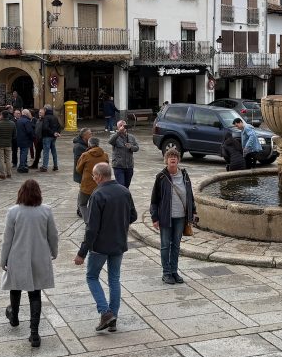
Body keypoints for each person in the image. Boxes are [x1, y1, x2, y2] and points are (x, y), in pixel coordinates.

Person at [74, 162, 137, 332]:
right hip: (119, 242)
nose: (93, 178)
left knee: (92, 277)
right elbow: (133, 215)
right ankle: (113, 318)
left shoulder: (98, 194)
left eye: (94, 176)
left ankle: (105, 312)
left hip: (100, 246)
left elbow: (91, 228)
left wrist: (82, 253)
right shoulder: (124, 191)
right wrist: (119, 224)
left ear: (100, 176)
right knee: (114, 279)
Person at [0, 179, 59, 348]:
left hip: (17, 256)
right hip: (39, 256)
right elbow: (53, 235)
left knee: (15, 287)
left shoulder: (13, 212)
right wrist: (54, 252)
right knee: (35, 293)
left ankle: (14, 316)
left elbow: (7, 239)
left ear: (21, 193)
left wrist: (3, 260)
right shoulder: (46, 210)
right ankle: (34, 334)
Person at [149, 146, 196, 284]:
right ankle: (166, 273)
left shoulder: (185, 175)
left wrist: (193, 212)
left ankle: (174, 271)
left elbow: (190, 195)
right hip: (165, 217)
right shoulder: (161, 177)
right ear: (166, 160)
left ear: (178, 160)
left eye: (175, 157)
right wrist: (154, 218)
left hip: (180, 217)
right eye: (170, 157)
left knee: (176, 245)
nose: (173, 159)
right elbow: (154, 200)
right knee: (165, 245)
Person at [75, 137, 109, 219]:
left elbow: (78, 169)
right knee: (98, 204)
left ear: (89, 144)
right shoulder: (105, 155)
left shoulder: (85, 155)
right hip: (101, 184)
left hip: (87, 183)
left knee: (82, 204)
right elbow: (106, 168)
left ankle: (88, 221)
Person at [108, 119, 140, 187]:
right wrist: (119, 132)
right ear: (117, 127)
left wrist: (131, 147)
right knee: (121, 185)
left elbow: (137, 148)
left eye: (124, 125)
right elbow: (110, 141)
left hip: (129, 166)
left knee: (126, 186)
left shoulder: (131, 137)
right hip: (118, 166)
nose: (122, 127)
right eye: (120, 125)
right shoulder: (114, 136)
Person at [0, 110, 17, 179]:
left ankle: (2, 174)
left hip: (0, 144)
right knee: (8, 159)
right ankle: (9, 173)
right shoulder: (12, 123)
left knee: (1, 159)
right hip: (8, 144)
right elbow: (15, 135)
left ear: (2, 115)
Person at [38, 104, 62, 172]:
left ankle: (44, 167)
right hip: (53, 137)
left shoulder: (46, 117)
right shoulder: (55, 117)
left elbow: (45, 128)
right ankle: (55, 166)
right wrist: (57, 133)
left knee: (46, 152)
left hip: (47, 136)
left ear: (45, 109)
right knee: (54, 151)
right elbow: (59, 126)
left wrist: (53, 133)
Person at [15, 109, 34, 173]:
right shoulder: (27, 121)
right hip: (25, 140)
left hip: (19, 139)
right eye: (29, 113)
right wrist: (32, 137)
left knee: (22, 152)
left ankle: (23, 164)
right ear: (26, 114)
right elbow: (29, 131)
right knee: (24, 153)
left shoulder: (19, 120)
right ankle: (22, 166)